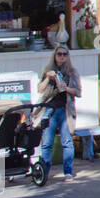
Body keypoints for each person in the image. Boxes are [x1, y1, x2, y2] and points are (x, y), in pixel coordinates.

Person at [36, 45, 82, 181]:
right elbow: (40, 90)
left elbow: (78, 92)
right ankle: (45, 171)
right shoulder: (48, 70)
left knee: (67, 141)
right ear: (54, 56)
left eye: (64, 54)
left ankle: (68, 171)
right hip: (50, 109)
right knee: (47, 142)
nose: (62, 57)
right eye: (59, 54)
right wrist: (47, 78)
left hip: (65, 109)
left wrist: (66, 88)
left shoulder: (72, 72)